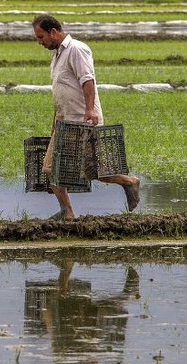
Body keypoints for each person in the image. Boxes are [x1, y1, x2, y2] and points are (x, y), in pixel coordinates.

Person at [32, 15, 141, 220]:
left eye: (41, 37)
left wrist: (90, 110)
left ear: (53, 32)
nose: (39, 41)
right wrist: (54, 123)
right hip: (65, 121)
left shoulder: (77, 49)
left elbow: (87, 81)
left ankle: (129, 181)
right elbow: (62, 90)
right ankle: (68, 212)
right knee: (51, 168)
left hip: (82, 121)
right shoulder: (57, 55)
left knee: (91, 169)